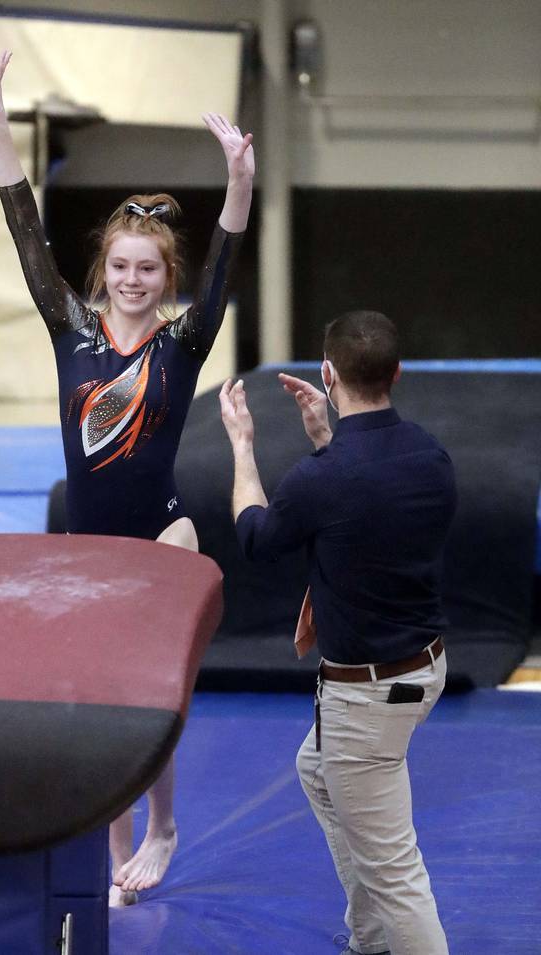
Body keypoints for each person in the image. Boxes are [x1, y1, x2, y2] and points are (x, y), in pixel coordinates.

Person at [0, 50, 254, 906]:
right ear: (103, 272)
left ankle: (163, 825)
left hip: (164, 531)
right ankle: (121, 839)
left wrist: (238, 177)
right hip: (86, 539)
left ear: (168, 280)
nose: (134, 280)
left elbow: (229, 258)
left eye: (150, 270)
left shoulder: (183, 343)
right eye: (122, 267)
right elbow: (24, 228)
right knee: (99, 697)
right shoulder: (70, 329)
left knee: (152, 687)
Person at [219, 311, 455, 955]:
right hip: (421, 669)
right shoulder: (430, 455)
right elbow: (364, 508)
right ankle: (371, 936)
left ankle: (382, 934)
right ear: (397, 374)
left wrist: (242, 444)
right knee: (316, 770)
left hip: (365, 696)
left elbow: (256, 536)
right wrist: (325, 435)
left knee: (394, 870)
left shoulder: (323, 480)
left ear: (328, 372)